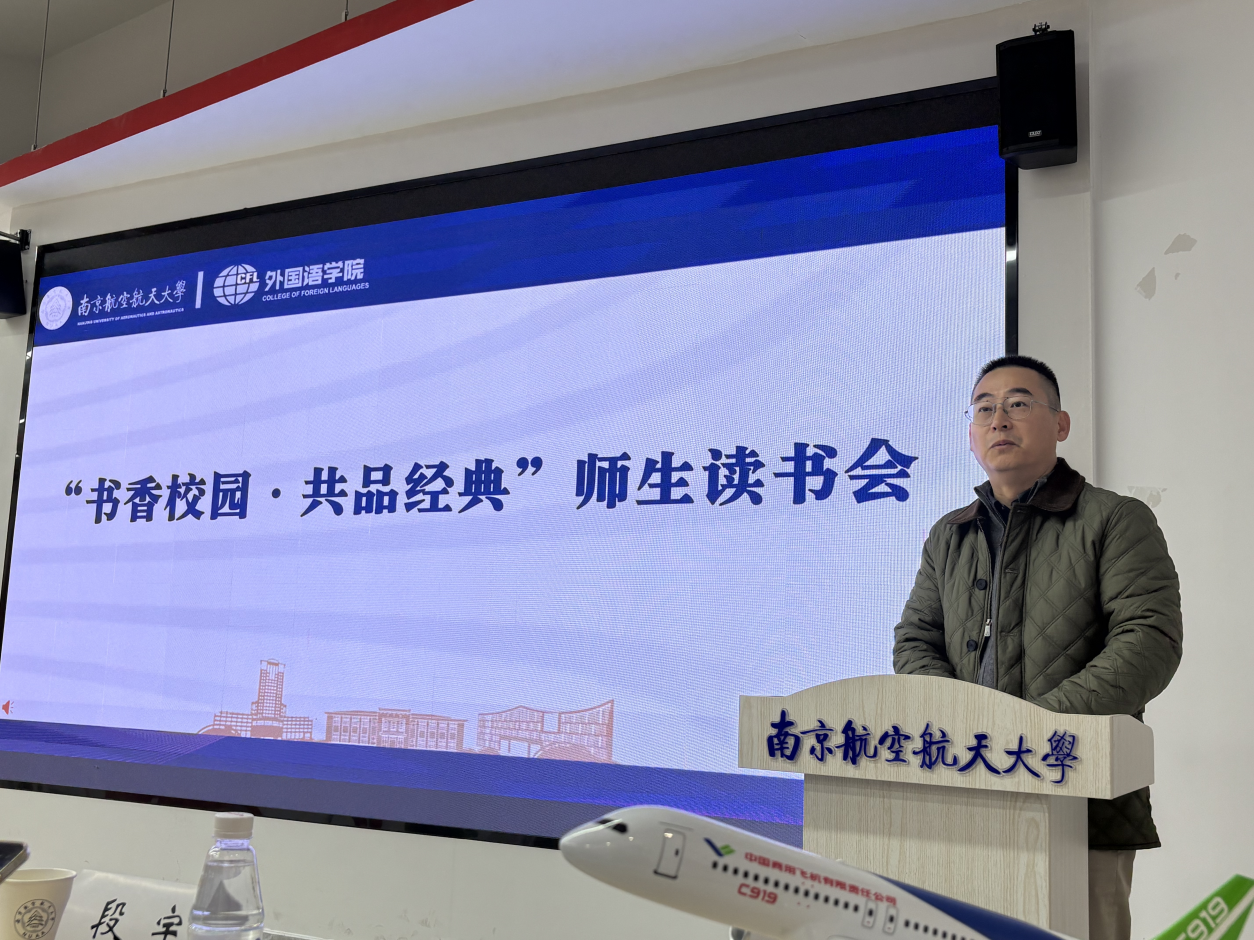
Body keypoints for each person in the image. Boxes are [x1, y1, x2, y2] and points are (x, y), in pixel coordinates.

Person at [893, 355, 1183, 940]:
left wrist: (1027, 729)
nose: (998, 419)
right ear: (971, 434)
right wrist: (962, 722)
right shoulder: (950, 535)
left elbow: (1148, 640)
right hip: (963, 795)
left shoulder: (1115, 520)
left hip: (1083, 803)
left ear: (1061, 424)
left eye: (1018, 403)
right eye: (984, 408)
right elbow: (915, 641)